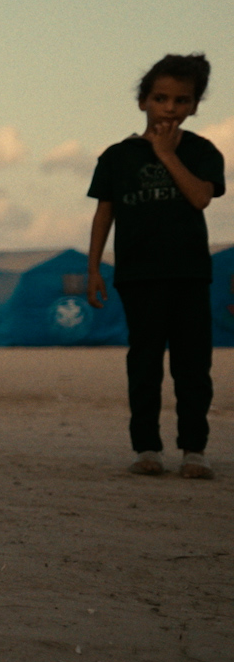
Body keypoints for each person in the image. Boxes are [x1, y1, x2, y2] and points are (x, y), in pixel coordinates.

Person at [87, 53, 224, 479]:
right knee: (144, 363)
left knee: (192, 365)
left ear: (194, 106)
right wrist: (94, 268)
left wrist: (166, 154)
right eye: (161, 98)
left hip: (188, 274)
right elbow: (104, 214)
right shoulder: (117, 156)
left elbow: (201, 197)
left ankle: (194, 451)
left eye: (181, 100)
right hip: (139, 275)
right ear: (143, 101)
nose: (170, 107)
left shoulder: (201, 152)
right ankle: (147, 448)